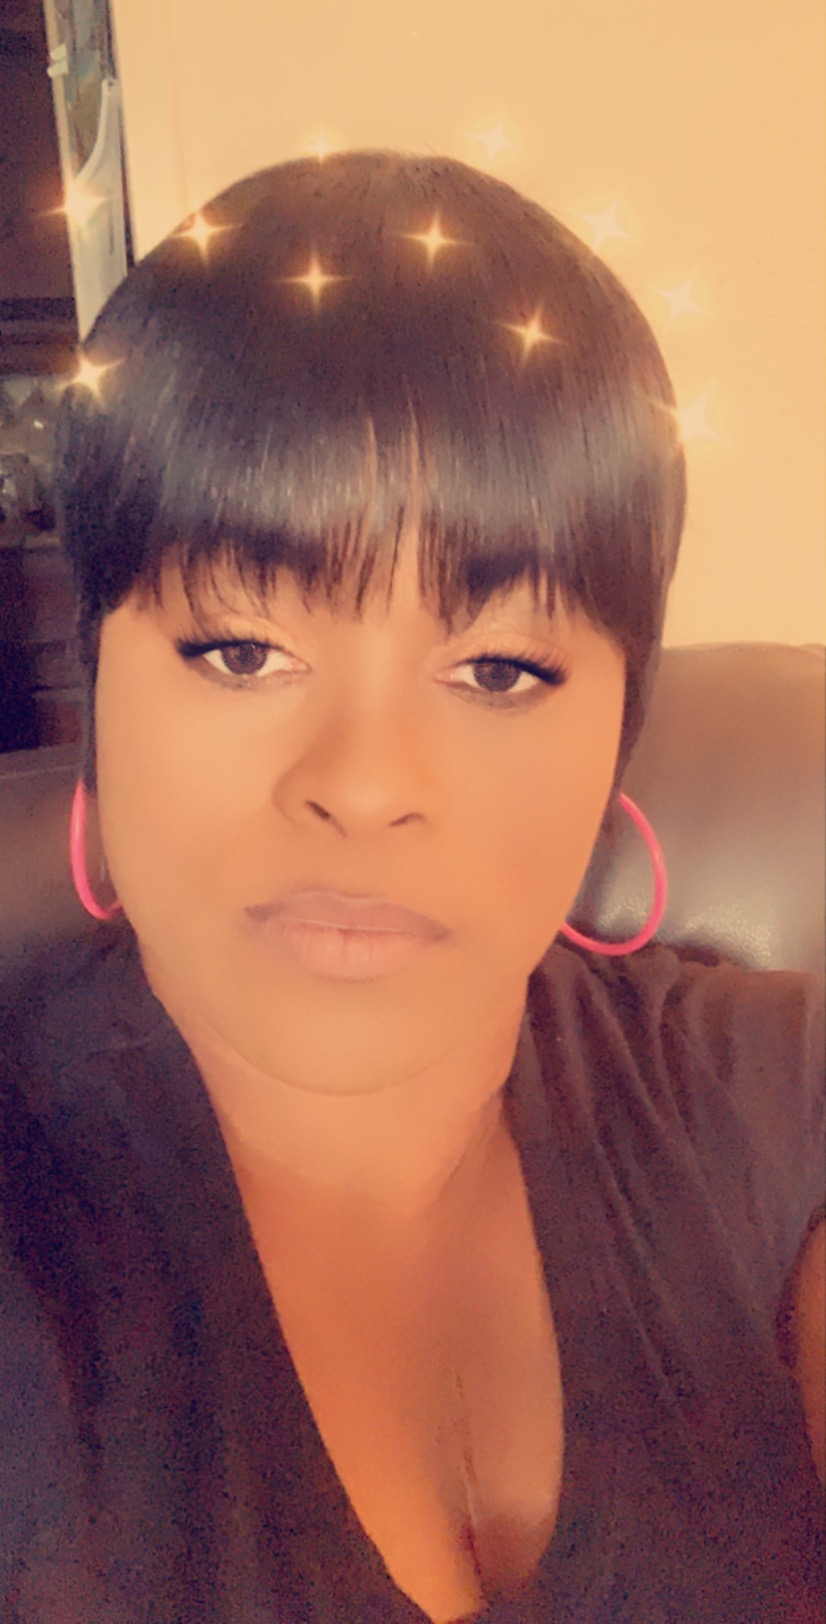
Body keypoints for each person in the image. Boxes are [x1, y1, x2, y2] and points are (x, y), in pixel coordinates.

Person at [0, 149, 822, 1624]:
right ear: (97, 683)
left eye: (498, 669)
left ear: (621, 726)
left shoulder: (776, 1089)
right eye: (239, 649)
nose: (366, 782)